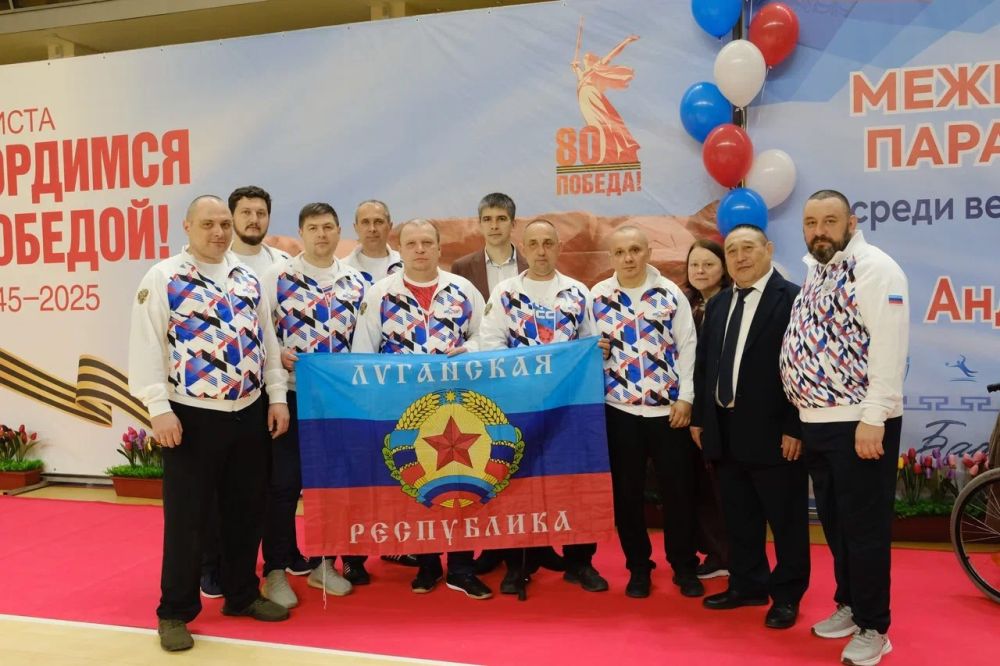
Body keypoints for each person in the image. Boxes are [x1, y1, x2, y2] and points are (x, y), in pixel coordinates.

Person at [128, 195, 291, 652]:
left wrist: (277, 396)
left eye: (223, 224)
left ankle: (241, 594)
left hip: (250, 411)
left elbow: (267, 340)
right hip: (191, 416)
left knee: (247, 510)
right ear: (187, 227)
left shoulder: (247, 277)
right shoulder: (164, 277)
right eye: (208, 224)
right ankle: (174, 611)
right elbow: (146, 344)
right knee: (188, 520)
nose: (218, 232)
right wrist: (158, 408)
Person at [781, 190, 908, 666]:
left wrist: (874, 418)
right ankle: (851, 605)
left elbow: (890, 346)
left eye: (829, 221)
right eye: (811, 222)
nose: (819, 231)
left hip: (859, 423)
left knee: (865, 529)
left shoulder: (875, 268)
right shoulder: (817, 270)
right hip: (818, 422)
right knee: (835, 525)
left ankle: (875, 627)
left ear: (851, 223)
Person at [352, 219, 491, 599]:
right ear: (400, 249)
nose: (419, 249)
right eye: (411, 243)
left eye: (427, 242)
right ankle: (427, 565)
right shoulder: (379, 294)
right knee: (417, 482)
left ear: (439, 247)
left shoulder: (463, 290)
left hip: (458, 405)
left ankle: (461, 568)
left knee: (462, 484)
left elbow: (487, 336)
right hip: (404, 409)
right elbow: (363, 352)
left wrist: (471, 349)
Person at [691, 225, 809, 630]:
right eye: (732, 251)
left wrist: (795, 425)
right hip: (724, 430)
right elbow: (704, 366)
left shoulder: (793, 299)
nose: (740, 257)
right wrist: (700, 418)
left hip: (777, 434)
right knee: (739, 518)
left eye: (748, 248)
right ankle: (747, 585)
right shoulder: (719, 304)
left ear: (768, 249)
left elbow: (804, 368)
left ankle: (787, 596)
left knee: (786, 522)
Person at [479, 219, 601, 595]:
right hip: (520, 407)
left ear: (559, 247)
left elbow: (591, 343)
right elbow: (490, 344)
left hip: (570, 407)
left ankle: (580, 561)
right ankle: (518, 564)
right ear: (524, 248)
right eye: (534, 243)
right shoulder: (505, 292)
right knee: (518, 484)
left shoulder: (578, 292)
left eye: (549, 243)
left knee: (575, 483)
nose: (542, 250)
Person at [258, 203, 367, 607]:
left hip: (337, 402)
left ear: (339, 232)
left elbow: (365, 341)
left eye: (328, 227)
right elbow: (261, 332)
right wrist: (279, 355)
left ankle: (325, 562)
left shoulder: (357, 282)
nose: (321, 234)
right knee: (283, 486)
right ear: (301, 233)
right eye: (313, 228)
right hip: (289, 395)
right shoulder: (276, 277)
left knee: (332, 487)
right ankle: (275, 570)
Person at [591, 226, 703, 599]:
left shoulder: (670, 293)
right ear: (611, 257)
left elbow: (688, 346)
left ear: (648, 252)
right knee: (627, 495)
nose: (629, 257)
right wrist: (597, 352)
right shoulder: (597, 296)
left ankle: (684, 566)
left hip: (669, 412)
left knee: (679, 493)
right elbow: (586, 349)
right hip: (619, 411)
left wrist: (686, 398)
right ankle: (638, 567)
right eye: (621, 251)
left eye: (635, 249)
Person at [685, 240, 731, 580]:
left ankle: (728, 555)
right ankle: (712, 552)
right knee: (698, 487)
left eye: (708, 264)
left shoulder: (730, 304)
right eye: (694, 265)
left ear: (723, 269)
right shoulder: (685, 304)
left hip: (718, 412)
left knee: (721, 488)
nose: (700, 271)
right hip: (687, 409)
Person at [571, 26, 640, 164]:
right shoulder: (583, 75)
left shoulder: (596, 68)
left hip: (592, 96)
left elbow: (612, 53)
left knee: (604, 122)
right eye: (585, 58)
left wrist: (626, 41)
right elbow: (578, 74)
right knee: (594, 125)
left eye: (588, 58)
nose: (586, 59)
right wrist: (575, 67)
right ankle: (605, 153)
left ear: (592, 60)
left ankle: (618, 149)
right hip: (585, 101)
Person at [451, 192, 528, 300]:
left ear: (513, 224)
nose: (494, 226)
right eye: (487, 219)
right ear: (480, 225)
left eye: (501, 219)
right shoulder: (462, 268)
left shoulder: (531, 265)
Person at [228, 185, 292, 277]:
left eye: (261, 213)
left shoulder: (286, 264)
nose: (254, 220)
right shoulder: (214, 263)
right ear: (231, 217)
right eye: (246, 212)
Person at [344, 199, 403, 286]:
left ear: (390, 226)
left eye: (378, 222)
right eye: (365, 222)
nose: (372, 229)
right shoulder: (341, 270)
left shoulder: (407, 266)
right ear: (356, 228)